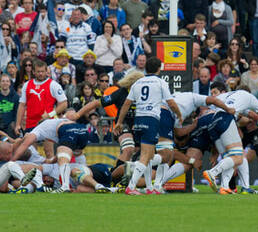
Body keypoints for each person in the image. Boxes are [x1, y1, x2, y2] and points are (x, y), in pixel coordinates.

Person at [114, 57, 182, 195]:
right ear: (159, 69)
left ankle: (150, 188)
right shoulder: (160, 82)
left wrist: (119, 122)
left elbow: (126, 104)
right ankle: (131, 187)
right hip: (151, 119)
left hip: (138, 120)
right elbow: (171, 103)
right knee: (146, 156)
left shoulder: (137, 82)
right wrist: (179, 115)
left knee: (149, 155)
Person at [66, 71, 145, 170]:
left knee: (141, 152)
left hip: (140, 125)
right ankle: (115, 177)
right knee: (128, 148)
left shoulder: (146, 94)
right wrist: (77, 114)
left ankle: (128, 175)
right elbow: (96, 103)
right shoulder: (121, 92)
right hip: (122, 125)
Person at [11, 117, 89, 193]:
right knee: (77, 153)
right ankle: (86, 175)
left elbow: (24, 145)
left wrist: (11, 162)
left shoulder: (37, 131)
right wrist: (53, 160)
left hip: (68, 129)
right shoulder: (53, 125)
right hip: (82, 130)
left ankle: (65, 187)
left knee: (63, 158)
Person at [15, 60, 68, 137]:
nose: (40, 74)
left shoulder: (53, 85)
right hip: (31, 123)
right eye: (38, 71)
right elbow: (22, 105)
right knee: (31, 148)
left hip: (48, 122)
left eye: (42, 71)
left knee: (48, 149)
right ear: (33, 72)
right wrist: (18, 124)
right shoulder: (27, 85)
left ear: (46, 71)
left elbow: (64, 104)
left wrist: (50, 114)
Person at [0, 74, 19, 138]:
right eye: (3, 81)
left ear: (10, 83)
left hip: (11, 126)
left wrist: (15, 123)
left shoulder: (15, 96)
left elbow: (18, 112)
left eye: (7, 81)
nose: (5, 83)